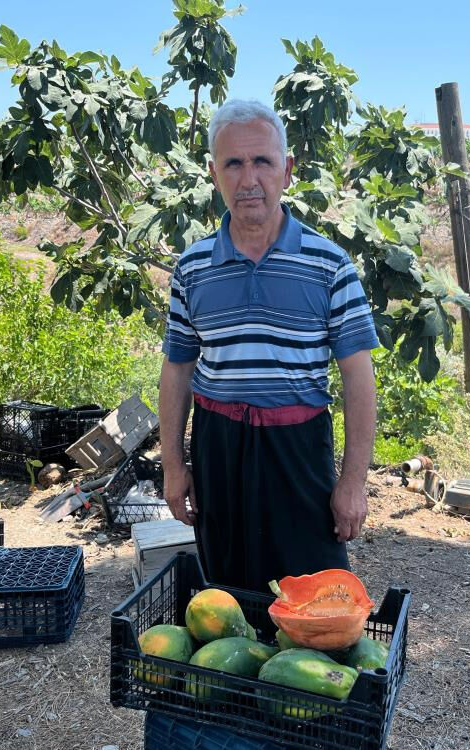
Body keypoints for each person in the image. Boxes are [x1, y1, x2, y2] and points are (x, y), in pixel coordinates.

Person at [158, 99, 379, 592]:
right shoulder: (192, 269)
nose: (249, 178)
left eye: (262, 161)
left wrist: (352, 482)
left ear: (288, 170)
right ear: (215, 173)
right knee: (228, 599)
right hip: (220, 448)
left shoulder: (330, 266)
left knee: (316, 596)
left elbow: (359, 381)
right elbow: (176, 371)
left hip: (298, 451)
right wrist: (175, 466)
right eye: (233, 164)